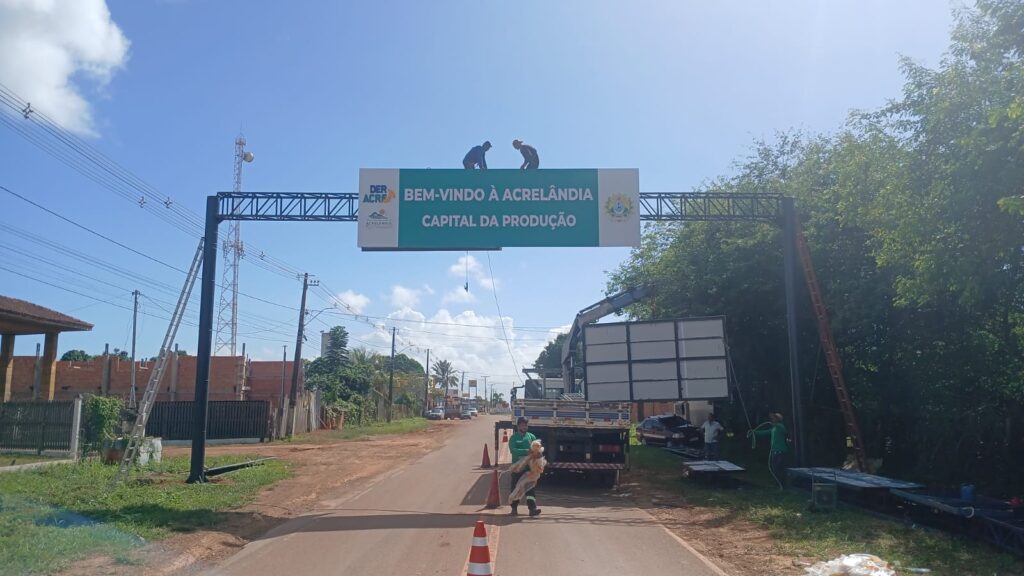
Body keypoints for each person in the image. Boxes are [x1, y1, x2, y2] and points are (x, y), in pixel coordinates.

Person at [508, 416, 540, 516]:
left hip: (529, 469)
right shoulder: (514, 438)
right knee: (516, 488)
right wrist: (526, 451)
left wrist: (538, 454)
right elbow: (513, 450)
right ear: (518, 426)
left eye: (526, 425)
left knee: (530, 488)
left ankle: (532, 509)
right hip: (517, 469)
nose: (524, 427)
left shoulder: (531, 437)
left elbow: (537, 449)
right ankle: (514, 509)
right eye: (522, 425)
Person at [750, 412, 788, 489]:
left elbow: (783, 430)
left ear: (778, 419)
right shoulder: (773, 429)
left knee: (779, 468)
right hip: (774, 451)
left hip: (780, 451)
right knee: (774, 468)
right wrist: (754, 432)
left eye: (774, 418)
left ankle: (782, 485)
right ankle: (778, 484)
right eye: (772, 418)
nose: (772, 419)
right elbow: (764, 433)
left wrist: (775, 423)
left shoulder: (780, 426)